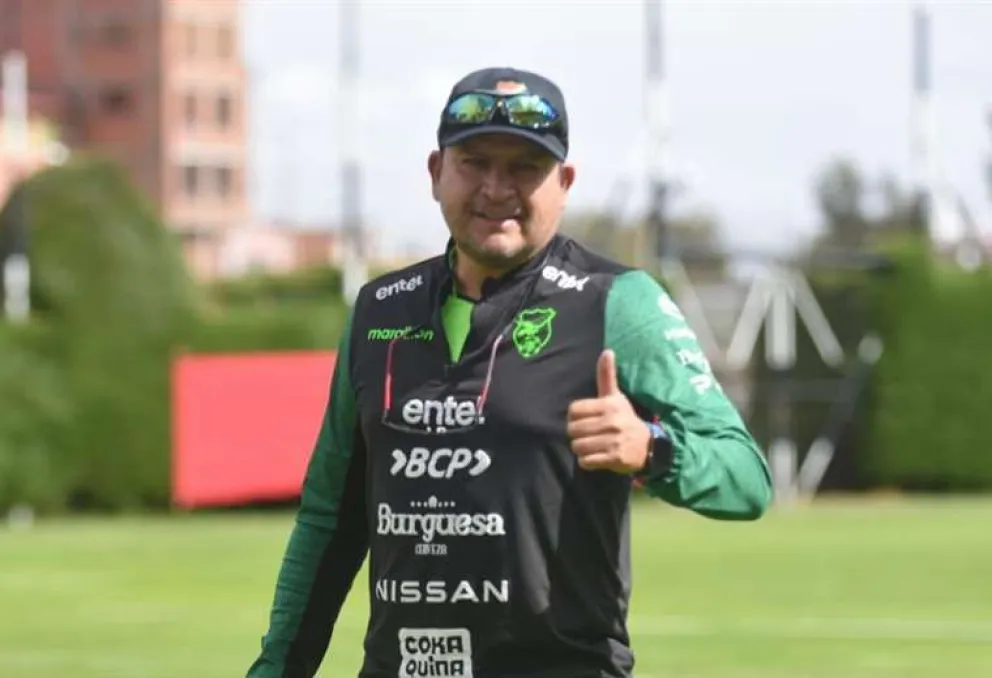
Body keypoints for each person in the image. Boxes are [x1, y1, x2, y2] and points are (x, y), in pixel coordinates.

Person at [246, 66, 772, 678]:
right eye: (474, 162)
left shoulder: (617, 303)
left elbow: (746, 478)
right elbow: (329, 520)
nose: (497, 188)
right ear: (435, 172)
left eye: (525, 166)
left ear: (564, 183)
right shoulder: (378, 310)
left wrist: (651, 449)